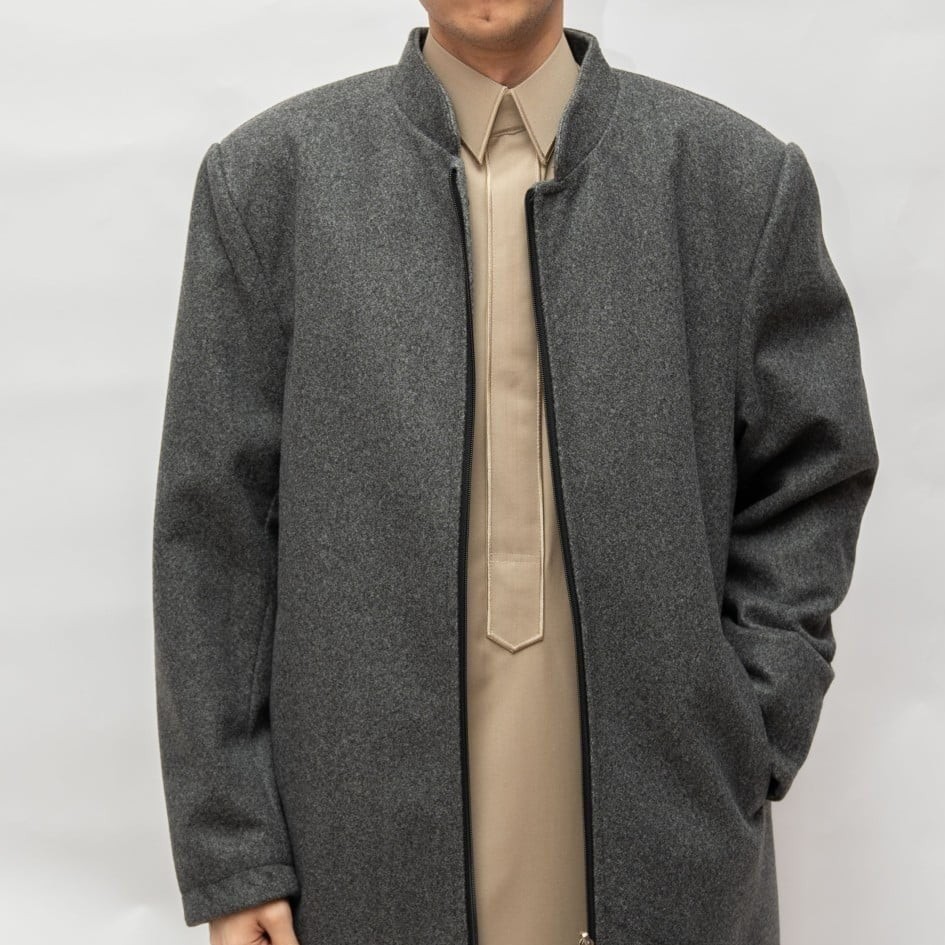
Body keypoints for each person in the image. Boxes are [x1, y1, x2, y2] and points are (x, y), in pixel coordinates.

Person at [152, 2, 880, 944]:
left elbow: (814, 473)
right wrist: (235, 853)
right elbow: (210, 538)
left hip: (671, 847)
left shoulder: (733, 180)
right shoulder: (271, 183)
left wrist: (747, 727)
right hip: (357, 854)